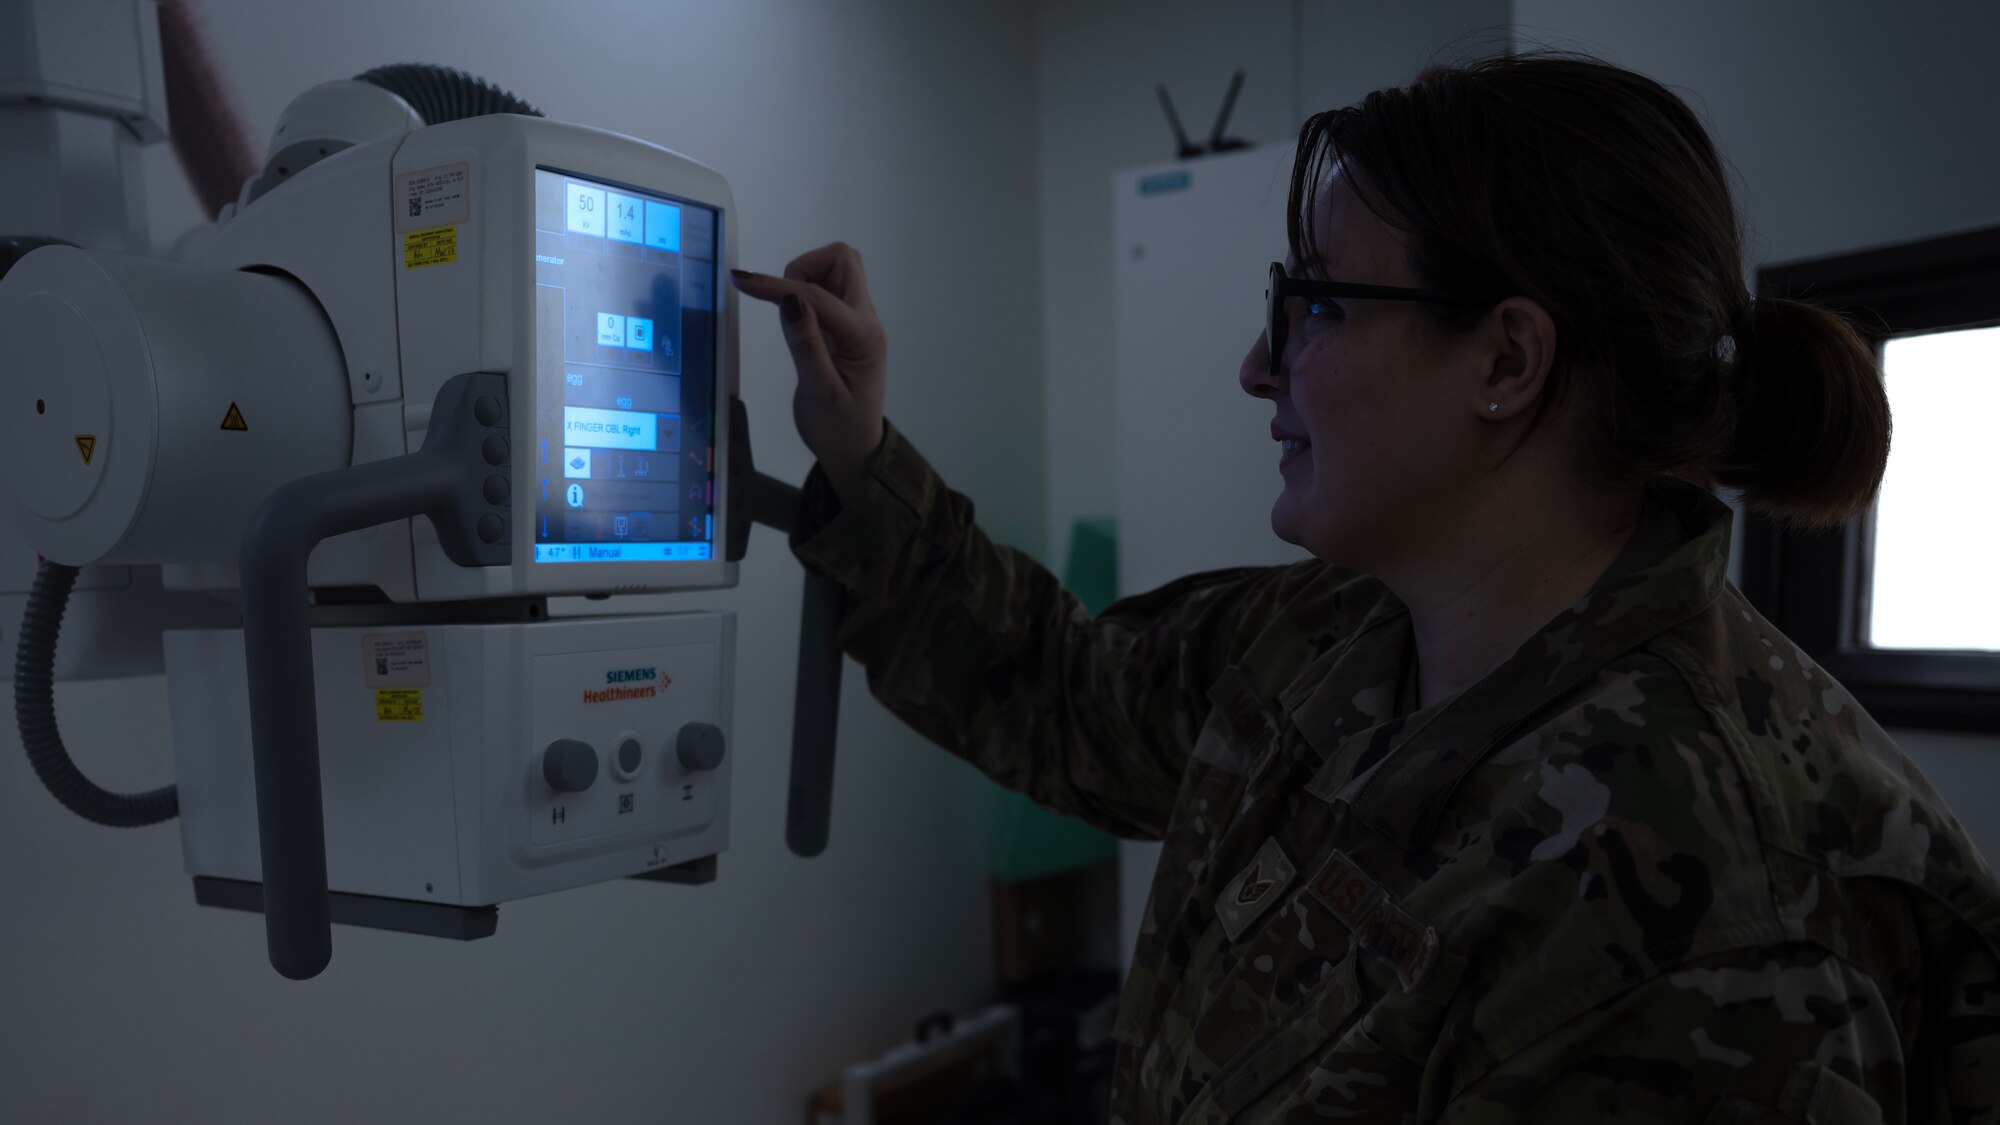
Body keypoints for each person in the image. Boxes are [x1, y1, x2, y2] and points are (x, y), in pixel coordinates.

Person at [730, 52, 2000, 1123]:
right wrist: (857, 450)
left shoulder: (1715, 905)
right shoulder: (1338, 634)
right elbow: (1056, 689)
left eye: (1316, 304)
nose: (1253, 365)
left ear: (1505, 360)